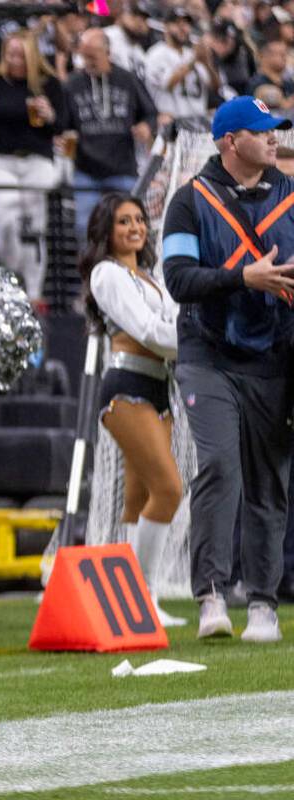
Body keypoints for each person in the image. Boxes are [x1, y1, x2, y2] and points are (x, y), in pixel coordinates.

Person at [163, 96, 294, 642]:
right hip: (208, 354)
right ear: (228, 141)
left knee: (270, 480)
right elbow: (178, 278)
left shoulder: (291, 195)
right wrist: (244, 279)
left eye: (275, 131)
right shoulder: (189, 200)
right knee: (220, 464)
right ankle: (210, 595)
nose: (273, 138)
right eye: (261, 131)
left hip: (275, 357)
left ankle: (263, 602)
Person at [79, 193, 186, 628]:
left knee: (139, 497)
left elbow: (168, 324)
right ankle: (142, 597)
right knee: (170, 490)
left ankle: (132, 600)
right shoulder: (107, 273)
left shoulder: (148, 276)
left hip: (158, 387)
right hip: (127, 386)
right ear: (107, 230)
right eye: (124, 221)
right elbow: (146, 329)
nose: (135, 228)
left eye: (140, 219)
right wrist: (196, 342)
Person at [0, 30, 67, 304]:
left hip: (37, 159)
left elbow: (61, 126)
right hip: (1, 160)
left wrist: (50, 116)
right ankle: (11, 281)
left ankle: (34, 292)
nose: (14, 60)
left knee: (35, 227)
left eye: (20, 55)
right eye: (10, 54)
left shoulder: (49, 84)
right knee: (5, 222)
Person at [66, 28, 156, 246]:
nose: (88, 62)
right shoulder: (72, 83)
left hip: (122, 168)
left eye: (93, 56)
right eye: (84, 56)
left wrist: (146, 126)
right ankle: (90, 278)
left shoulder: (127, 79)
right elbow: (63, 124)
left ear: (107, 52)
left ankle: (124, 277)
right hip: (86, 170)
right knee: (85, 229)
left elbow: (151, 113)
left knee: (127, 230)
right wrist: (63, 135)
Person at [144, 8, 218, 124]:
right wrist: (194, 60)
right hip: (172, 123)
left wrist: (207, 64)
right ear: (166, 26)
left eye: (186, 24)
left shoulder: (191, 54)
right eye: (177, 23)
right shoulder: (155, 54)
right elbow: (168, 83)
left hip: (199, 123)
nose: (183, 28)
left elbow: (215, 87)